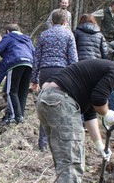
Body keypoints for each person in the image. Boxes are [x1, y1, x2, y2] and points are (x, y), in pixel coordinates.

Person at [30, 9, 78, 150]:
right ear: (65, 21)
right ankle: (60, 141)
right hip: (62, 72)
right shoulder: (68, 34)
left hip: (45, 71)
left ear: (52, 21)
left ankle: (43, 142)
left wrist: (34, 78)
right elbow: (73, 59)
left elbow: (37, 58)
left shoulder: (44, 35)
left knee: (45, 105)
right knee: (63, 105)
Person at [0, 23, 34, 124]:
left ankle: (14, 117)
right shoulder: (27, 39)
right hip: (30, 64)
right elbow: (34, 53)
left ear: (8, 31)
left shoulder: (8, 37)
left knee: (11, 91)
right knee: (22, 92)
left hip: (15, 64)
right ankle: (20, 116)